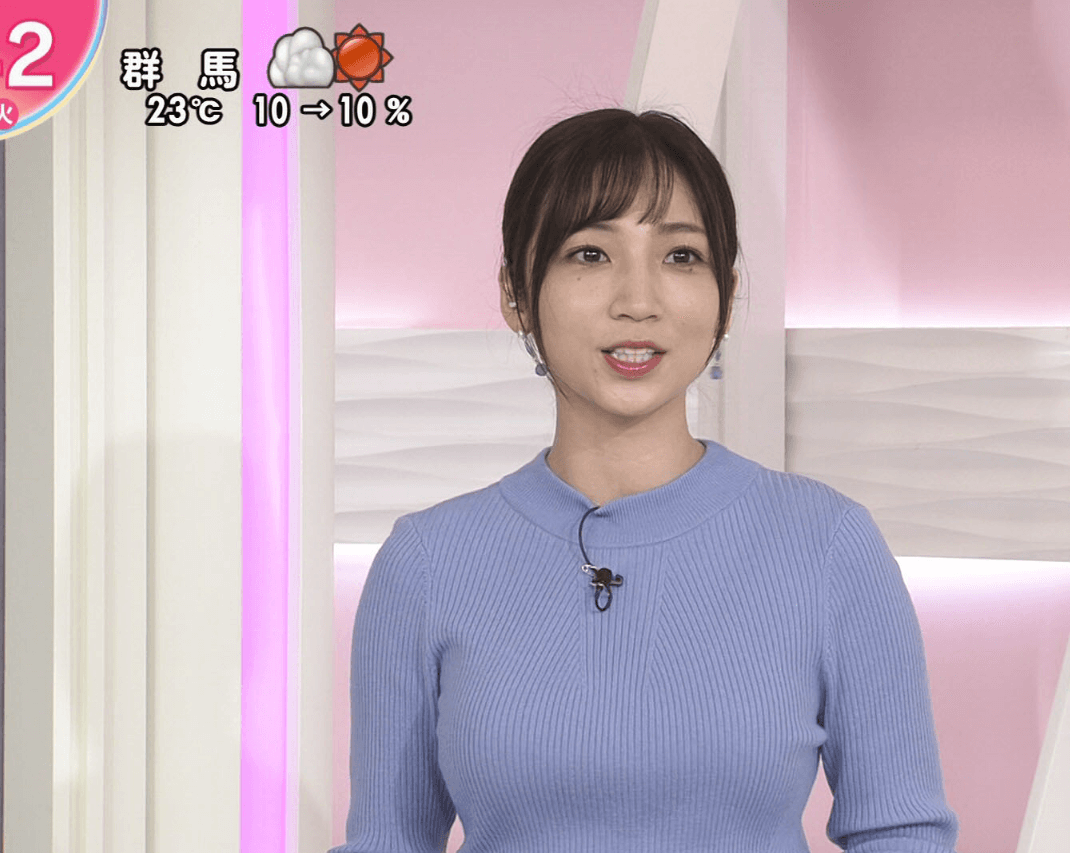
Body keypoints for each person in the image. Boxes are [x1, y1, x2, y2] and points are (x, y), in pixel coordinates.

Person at [331, 108, 960, 853]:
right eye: (590, 253)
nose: (638, 300)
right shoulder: (426, 562)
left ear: (725, 293)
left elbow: (900, 833)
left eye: (681, 256)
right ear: (514, 293)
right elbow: (387, 841)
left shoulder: (828, 543)